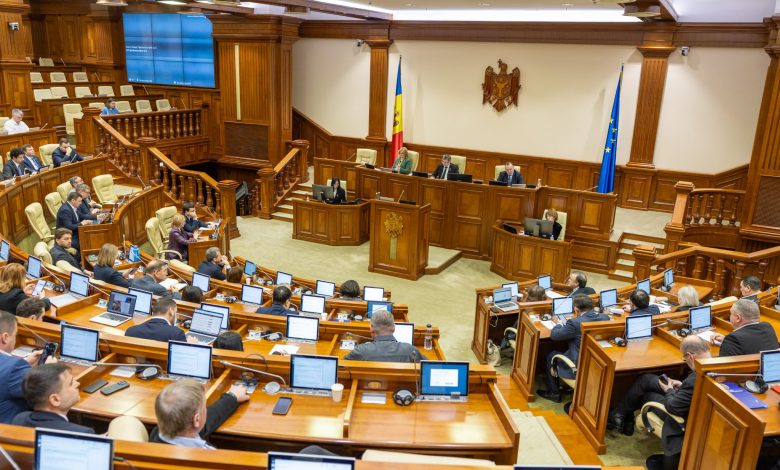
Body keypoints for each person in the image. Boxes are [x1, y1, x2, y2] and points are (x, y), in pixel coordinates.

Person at [607, 336, 710, 470]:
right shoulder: (719, 365)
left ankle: (620, 417)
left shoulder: (695, 379)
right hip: (690, 405)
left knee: (647, 395)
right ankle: (620, 415)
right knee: (645, 380)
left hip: (682, 418)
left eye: (685, 359)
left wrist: (670, 390)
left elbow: (672, 407)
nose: (685, 362)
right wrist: (681, 385)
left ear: (690, 356)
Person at [536, 295, 610, 402]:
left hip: (578, 363)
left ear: (576, 309)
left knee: (551, 355)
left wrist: (559, 324)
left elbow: (555, 336)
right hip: (595, 361)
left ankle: (554, 393)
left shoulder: (574, 323)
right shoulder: (605, 318)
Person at [149, 379, 248, 448]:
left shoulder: (157, 433)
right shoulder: (207, 459)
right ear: (196, 419)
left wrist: (232, 397)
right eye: (204, 407)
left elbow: (206, 421)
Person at [0, 310, 53, 423]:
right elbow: (46, 389)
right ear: (5, 337)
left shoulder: (13, 367)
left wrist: (25, 362)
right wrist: (49, 369)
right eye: (15, 335)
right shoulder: (14, 368)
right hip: (9, 433)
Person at [12, 363, 93, 434]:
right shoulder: (81, 433)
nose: (78, 384)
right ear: (55, 400)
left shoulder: (20, 419)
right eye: (71, 383)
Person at [344, 310, 427, 362]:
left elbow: (341, 366)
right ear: (394, 328)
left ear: (371, 329)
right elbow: (429, 367)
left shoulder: (360, 350)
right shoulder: (410, 350)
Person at [711, 299, 779, 356]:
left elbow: (723, 369)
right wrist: (726, 340)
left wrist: (728, 342)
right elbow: (751, 342)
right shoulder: (767, 327)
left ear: (738, 318)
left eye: (731, 313)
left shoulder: (733, 339)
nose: (730, 317)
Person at [125, 298, 195, 343]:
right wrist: (190, 345)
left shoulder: (131, 331)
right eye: (175, 311)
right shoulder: (176, 334)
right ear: (171, 311)